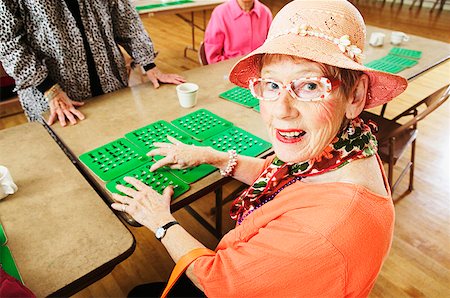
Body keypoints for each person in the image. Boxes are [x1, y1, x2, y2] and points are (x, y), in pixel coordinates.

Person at [111, 0, 408, 296]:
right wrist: (211, 156)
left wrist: (161, 221)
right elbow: (290, 180)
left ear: (355, 96)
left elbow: (215, 280)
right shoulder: (348, 149)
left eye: (310, 86)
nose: (281, 111)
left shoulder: (322, 231)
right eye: (272, 85)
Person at [0, 0, 185, 126]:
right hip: (55, 95)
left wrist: (149, 64)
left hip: (109, 82)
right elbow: (7, 41)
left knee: (121, 142)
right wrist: (49, 88)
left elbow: (124, 16)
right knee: (71, 161)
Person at [204, 0, 272, 64]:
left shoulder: (266, 13)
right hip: (228, 69)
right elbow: (213, 57)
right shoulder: (220, 14)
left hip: (260, 70)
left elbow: (271, 49)